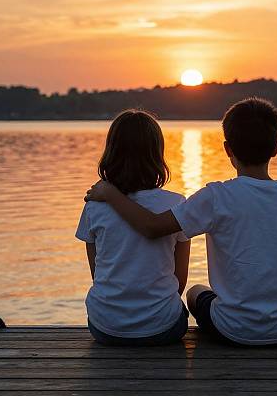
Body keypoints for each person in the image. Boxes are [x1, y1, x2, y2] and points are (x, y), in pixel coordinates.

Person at [86, 98, 277, 346]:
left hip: (231, 330)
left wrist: (110, 194)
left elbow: (149, 229)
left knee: (195, 293)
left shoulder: (215, 197)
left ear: (227, 149)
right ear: (276, 148)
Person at [76, 110, 191, 346]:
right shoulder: (176, 204)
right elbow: (180, 280)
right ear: (157, 155)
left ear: (111, 152)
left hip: (105, 327)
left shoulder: (94, 207)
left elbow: (97, 274)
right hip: (163, 328)